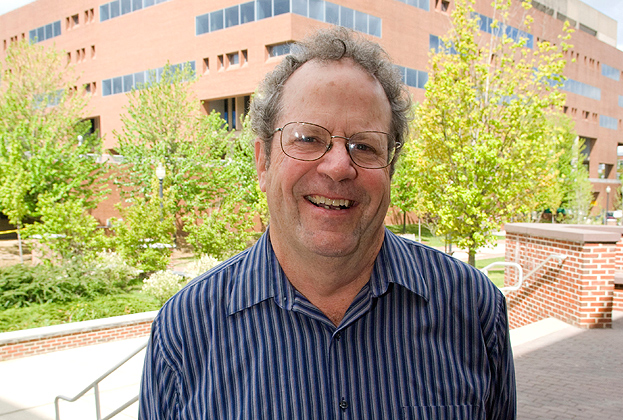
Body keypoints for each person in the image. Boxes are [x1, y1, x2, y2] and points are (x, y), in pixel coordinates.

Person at [139, 27, 516, 419]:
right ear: (263, 162)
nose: (338, 166)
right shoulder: (184, 331)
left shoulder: (472, 309)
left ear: (391, 168)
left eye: (365, 145)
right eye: (307, 138)